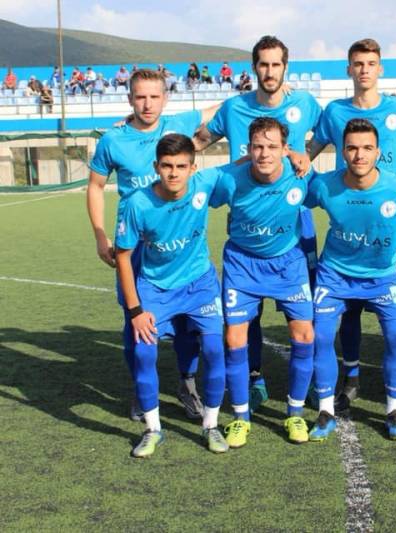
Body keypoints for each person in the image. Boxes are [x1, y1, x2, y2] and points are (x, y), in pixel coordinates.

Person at [194, 35, 321, 413]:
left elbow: (335, 129)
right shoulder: (234, 109)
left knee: (304, 307)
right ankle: (253, 375)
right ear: (254, 68)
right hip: (248, 217)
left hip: (295, 220)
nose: (269, 71)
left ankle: (310, 380)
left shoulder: (305, 103)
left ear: (286, 67)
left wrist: (304, 154)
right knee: (247, 311)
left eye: (276, 64)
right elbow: (198, 141)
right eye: (263, 64)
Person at [86, 68, 220, 422]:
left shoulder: (177, 124)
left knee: (188, 326)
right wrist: (100, 235)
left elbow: (223, 110)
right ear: (130, 99)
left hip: (176, 241)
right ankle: (141, 389)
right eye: (141, 97)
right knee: (135, 322)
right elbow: (95, 186)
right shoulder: (113, 140)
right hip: (135, 245)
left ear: (165, 98)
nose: (148, 104)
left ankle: (187, 384)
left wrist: (271, 91)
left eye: (154, 96)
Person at [307, 38, 396, 411]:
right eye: (358, 63)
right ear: (349, 69)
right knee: (350, 310)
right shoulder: (334, 112)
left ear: (380, 68)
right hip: (348, 218)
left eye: (371, 63)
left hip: (390, 226)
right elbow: (310, 151)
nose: (364, 70)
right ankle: (351, 376)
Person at [303, 118, 396, 442]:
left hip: (383, 278)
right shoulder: (323, 186)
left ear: (378, 152)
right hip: (335, 275)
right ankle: (325, 411)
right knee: (321, 337)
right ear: (342, 152)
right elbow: (291, 192)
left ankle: (394, 410)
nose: (360, 155)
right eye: (353, 148)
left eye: (367, 148)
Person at [115, 134, 228, 457]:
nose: (174, 173)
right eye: (167, 166)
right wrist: (136, 311)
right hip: (155, 287)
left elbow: (247, 164)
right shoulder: (136, 203)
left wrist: (293, 155)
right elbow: (123, 256)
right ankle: (153, 430)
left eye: (181, 166)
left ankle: (211, 425)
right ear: (156, 167)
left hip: (200, 284)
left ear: (193, 168)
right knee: (143, 353)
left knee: (214, 349)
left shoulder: (204, 184)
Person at [207, 117, 315, 448]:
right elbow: (190, 190)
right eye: (257, 147)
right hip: (242, 264)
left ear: (285, 149)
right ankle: (241, 418)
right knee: (234, 337)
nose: (264, 153)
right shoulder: (229, 179)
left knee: (304, 334)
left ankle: (295, 413)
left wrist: (300, 157)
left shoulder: (301, 175)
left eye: (272, 147)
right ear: (248, 149)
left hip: (287, 264)